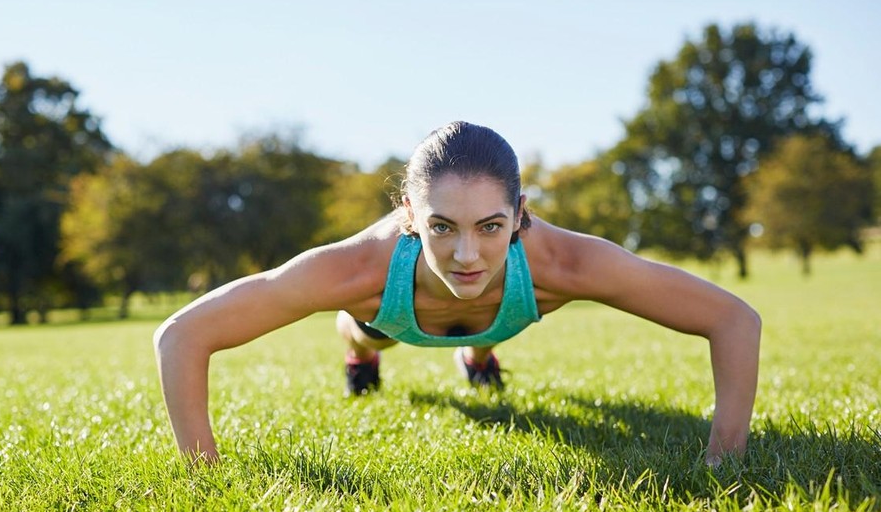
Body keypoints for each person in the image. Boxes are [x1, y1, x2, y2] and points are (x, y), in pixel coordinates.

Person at [154, 121, 761, 467]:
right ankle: (364, 353)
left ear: (520, 214)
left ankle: (476, 352)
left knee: (485, 318)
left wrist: (723, 457)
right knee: (363, 337)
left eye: (490, 227)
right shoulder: (353, 270)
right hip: (386, 319)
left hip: (504, 314)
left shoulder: (566, 261)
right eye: (443, 226)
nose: (466, 253)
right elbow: (182, 335)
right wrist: (204, 473)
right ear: (410, 213)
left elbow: (733, 319)